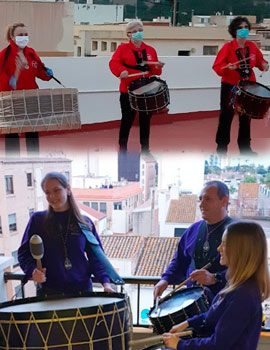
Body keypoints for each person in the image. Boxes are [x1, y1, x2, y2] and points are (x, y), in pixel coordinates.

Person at [163, 221, 270, 350]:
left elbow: (218, 345)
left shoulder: (244, 296)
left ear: (238, 251)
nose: (219, 249)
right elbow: (213, 315)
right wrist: (187, 323)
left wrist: (179, 344)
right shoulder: (235, 285)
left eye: (224, 244)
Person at [18, 172, 114, 296]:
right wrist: (32, 271)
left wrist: (105, 283)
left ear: (68, 189)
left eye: (56, 190)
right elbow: (23, 254)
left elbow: (96, 257)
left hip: (82, 293)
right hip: (49, 293)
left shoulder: (85, 223)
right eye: (47, 192)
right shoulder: (37, 220)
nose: (52, 196)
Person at [154, 181, 233, 300]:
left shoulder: (238, 233)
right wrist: (165, 279)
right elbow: (179, 261)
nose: (201, 204)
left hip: (225, 305)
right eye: (200, 199)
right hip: (192, 304)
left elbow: (246, 270)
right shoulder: (192, 230)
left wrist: (215, 278)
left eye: (208, 199)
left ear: (224, 201)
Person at [213, 16, 269, 156]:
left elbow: (260, 61)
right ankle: (221, 148)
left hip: (249, 86)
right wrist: (227, 68)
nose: (243, 30)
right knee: (226, 116)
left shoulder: (252, 46)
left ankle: (245, 148)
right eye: (240, 28)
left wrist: (264, 64)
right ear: (234, 31)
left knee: (246, 118)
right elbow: (217, 67)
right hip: (230, 86)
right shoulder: (227, 47)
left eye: (245, 27)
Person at [109, 20, 164, 154]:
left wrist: (157, 67)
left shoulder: (150, 50)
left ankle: (145, 149)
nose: (138, 33)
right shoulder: (122, 49)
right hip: (128, 91)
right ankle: (123, 149)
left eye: (140, 30)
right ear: (128, 35)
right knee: (127, 120)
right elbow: (113, 63)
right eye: (134, 32)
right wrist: (121, 71)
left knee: (145, 121)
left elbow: (156, 72)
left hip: (147, 90)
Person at [0, 23, 54, 156]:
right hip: (12, 103)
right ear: (12, 37)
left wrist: (47, 74)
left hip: (31, 100)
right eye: (20, 35)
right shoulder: (4, 56)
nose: (23, 37)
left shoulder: (31, 52)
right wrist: (18, 70)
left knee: (32, 135)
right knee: (12, 137)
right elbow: (5, 85)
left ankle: (34, 162)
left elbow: (40, 72)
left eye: (25, 35)